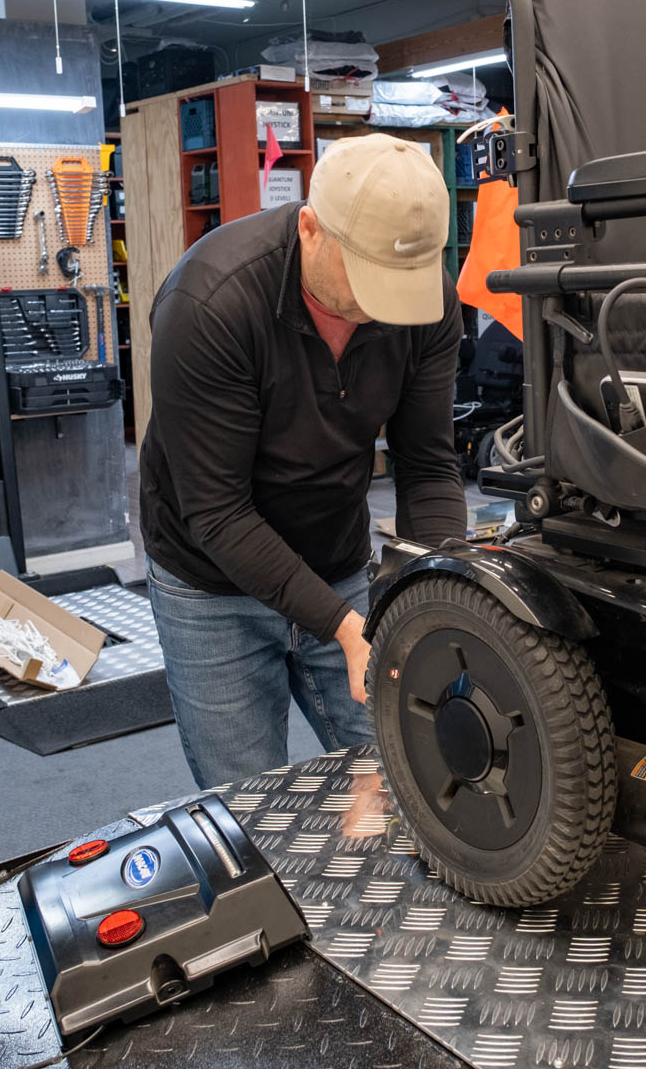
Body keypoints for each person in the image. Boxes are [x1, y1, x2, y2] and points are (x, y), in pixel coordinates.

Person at [140, 133, 467, 788]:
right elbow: (218, 511)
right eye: (369, 279)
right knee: (248, 806)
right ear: (311, 229)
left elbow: (428, 467)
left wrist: (435, 602)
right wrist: (343, 630)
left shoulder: (424, 299)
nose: (384, 307)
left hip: (336, 556)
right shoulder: (212, 304)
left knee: (405, 780)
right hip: (211, 583)